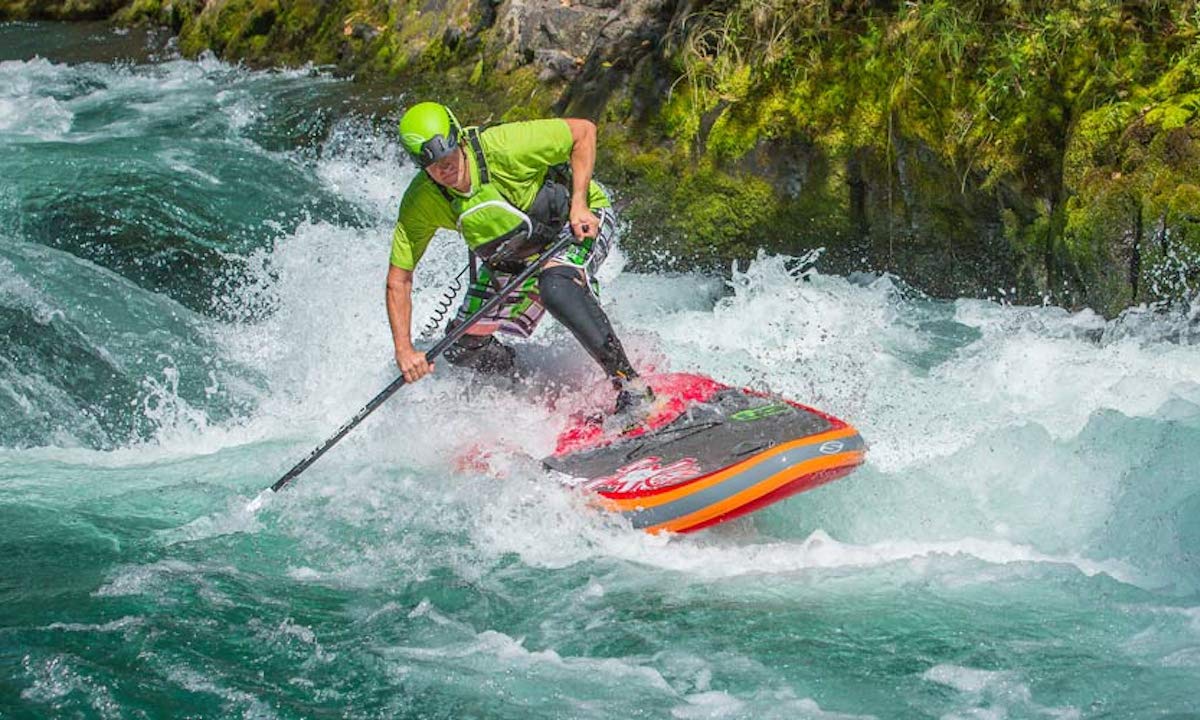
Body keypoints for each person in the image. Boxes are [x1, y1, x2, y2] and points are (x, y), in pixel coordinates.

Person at [385, 101, 652, 414]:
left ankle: (632, 388)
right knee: (461, 349)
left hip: (572, 225)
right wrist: (404, 349)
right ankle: (523, 379)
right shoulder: (422, 200)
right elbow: (398, 279)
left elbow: (583, 131)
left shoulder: (505, 146)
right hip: (514, 257)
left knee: (555, 286)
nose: (446, 169)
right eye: (434, 165)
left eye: (449, 155)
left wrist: (579, 203)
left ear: (459, 139)